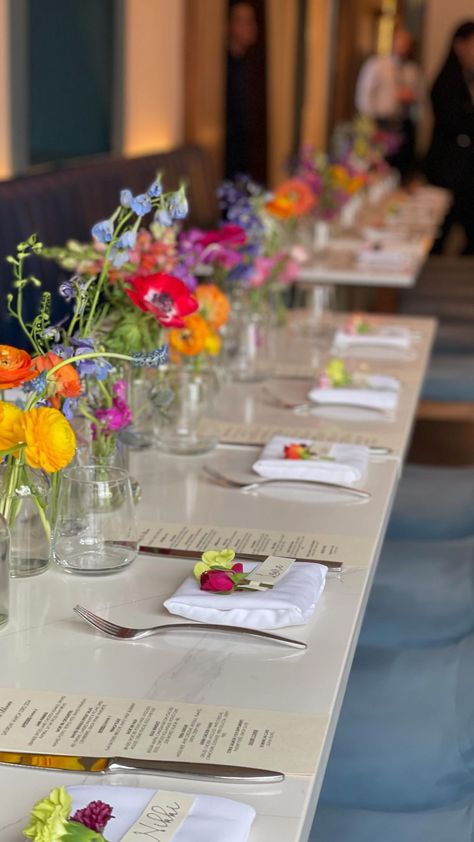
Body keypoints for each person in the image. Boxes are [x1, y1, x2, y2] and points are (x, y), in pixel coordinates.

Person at [424, 21, 474, 254]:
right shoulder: (446, 82)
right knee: (437, 233)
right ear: (459, 45)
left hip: (465, 171)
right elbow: (455, 123)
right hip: (447, 170)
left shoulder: (467, 78)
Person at [355, 27, 425, 178]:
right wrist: (369, 123)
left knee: (401, 169)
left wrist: (411, 99)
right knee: (378, 166)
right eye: (399, 42)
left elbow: (421, 101)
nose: (402, 46)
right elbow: (364, 96)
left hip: (403, 123)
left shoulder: (413, 70)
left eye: (406, 43)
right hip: (381, 123)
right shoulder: (377, 65)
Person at [225, 1, 258, 179]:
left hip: (244, 147)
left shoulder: (250, 64)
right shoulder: (223, 66)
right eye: (241, 21)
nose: (249, 27)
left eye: (250, 21)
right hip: (228, 149)